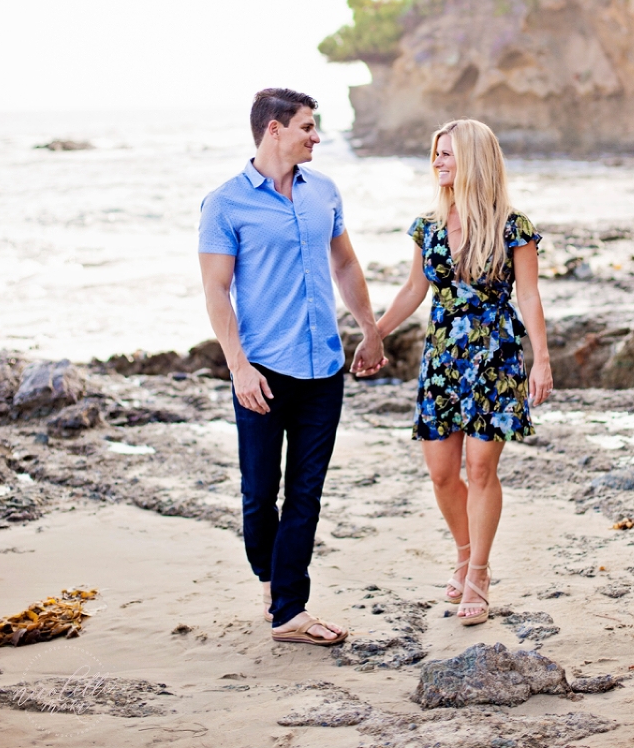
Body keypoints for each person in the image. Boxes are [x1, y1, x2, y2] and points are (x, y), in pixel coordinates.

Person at [198, 88, 384, 647]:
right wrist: (238, 367)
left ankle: (289, 610)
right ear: (274, 129)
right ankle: (272, 580)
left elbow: (345, 262)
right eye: (307, 126)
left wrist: (370, 329)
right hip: (263, 371)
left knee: (306, 492)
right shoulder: (225, 203)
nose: (317, 136)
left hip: (323, 367)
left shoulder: (323, 191)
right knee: (260, 494)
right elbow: (216, 291)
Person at [376, 119, 552, 626]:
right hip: (442, 360)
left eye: (447, 154)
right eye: (435, 154)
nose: (437, 162)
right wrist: (376, 332)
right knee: (439, 472)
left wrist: (541, 360)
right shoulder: (428, 225)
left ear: (473, 158)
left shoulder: (512, 226)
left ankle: (478, 572)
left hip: (494, 360)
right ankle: (462, 549)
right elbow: (414, 290)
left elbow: (530, 295)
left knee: (480, 469)